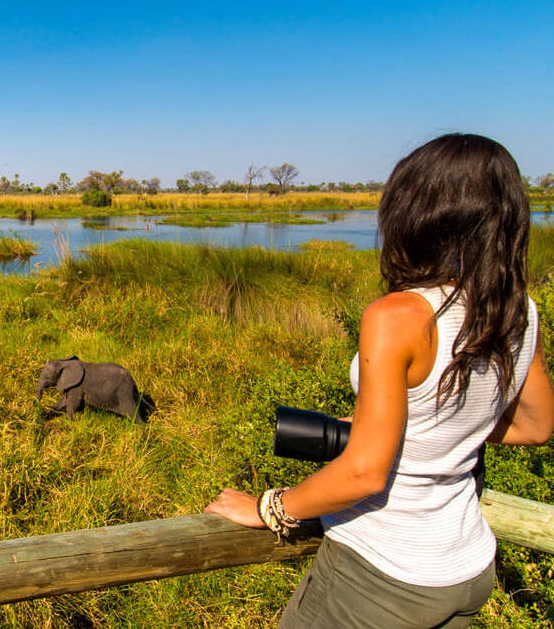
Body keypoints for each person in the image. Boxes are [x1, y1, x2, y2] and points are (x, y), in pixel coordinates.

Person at [206, 133, 554, 628]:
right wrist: (403, 426)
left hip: (382, 575)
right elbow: (537, 426)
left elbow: (365, 473)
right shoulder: (517, 311)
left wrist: (271, 507)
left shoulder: (398, 315)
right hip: (467, 568)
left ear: (419, 213)